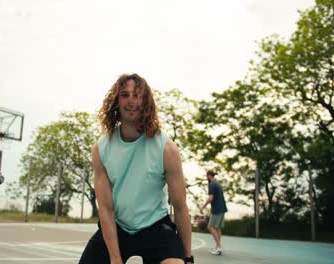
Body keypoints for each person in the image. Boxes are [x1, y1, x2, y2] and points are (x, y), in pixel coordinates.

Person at [79, 74, 193, 264]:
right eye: (125, 95)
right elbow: (106, 210)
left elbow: (180, 207)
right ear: (116, 101)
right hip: (118, 228)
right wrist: (115, 259)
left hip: (155, 226)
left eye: (137, 95)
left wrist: (188, 257)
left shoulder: (166, 148)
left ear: (146, 101)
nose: (131, 100)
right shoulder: (101, 148)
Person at [200, 170, 227, 255]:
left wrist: (203, 207)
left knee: (211, 227)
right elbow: (217, 198)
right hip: (222, 208)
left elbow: (211, 198)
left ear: (209, 175)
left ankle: (219, 247)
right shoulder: (217, 184)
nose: (206, 177)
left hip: (217, 209)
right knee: (217, 227)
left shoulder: (211, 184)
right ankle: (217, 247)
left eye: (206, 175)